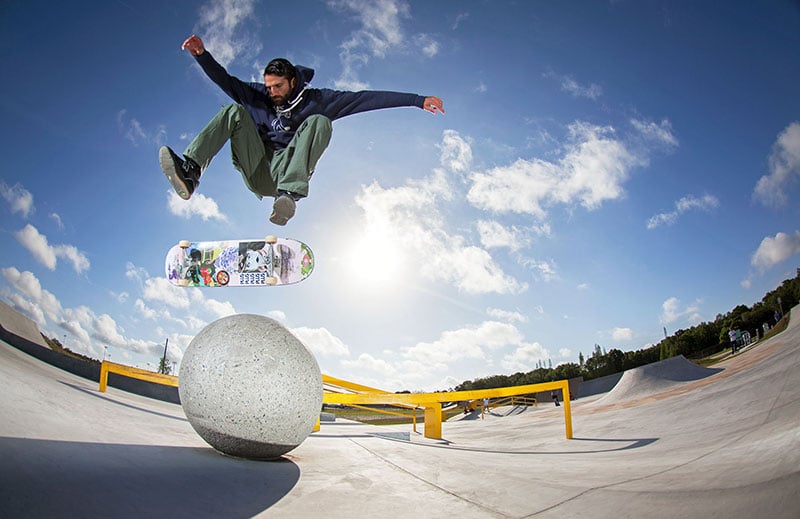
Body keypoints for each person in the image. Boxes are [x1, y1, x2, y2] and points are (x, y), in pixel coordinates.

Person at [159, 34, 445, 226]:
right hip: (257, 166)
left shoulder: (320, 99)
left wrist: (417, 101)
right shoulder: (258, 95)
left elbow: (364, 99)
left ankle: (289, 197)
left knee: (319, 121)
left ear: (293, 81)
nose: (272, 93)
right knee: (234, 110)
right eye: (268, 86)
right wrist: (202, 55)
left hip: (287, 173)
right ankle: (191, 171)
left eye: (278, 87)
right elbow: (226, 80)